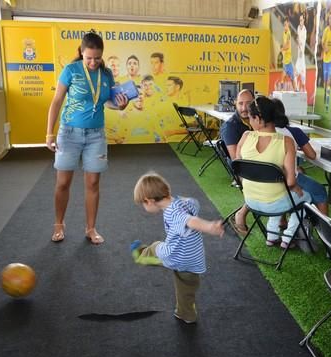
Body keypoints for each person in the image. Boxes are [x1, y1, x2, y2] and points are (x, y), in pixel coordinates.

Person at [46, 31, 129, 244]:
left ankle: (91, 229)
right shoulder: (70, 70)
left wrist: (120, 104)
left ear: (102, 55)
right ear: (81, 53)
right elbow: (56, 101)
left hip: (95, 135)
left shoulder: (107, 74)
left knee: (93, 183)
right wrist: (49, 132)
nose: (93, 62)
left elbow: (108, 102)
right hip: (69, 133)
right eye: (89, 57)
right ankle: (58, 224)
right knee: (63, 182)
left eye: (97, 57)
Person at [131, 172, 224, 324]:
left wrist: (209, 227)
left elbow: (190, 220)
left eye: (142, 203)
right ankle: (186, 313)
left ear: (149, 201)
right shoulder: (183, 202)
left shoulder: (172, 213)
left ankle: (143, 256)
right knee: (187, 288)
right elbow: (194, 205)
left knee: (156, 246)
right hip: (194, 259)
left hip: (177, 256)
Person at [236, 96, 311, 249]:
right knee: (305, 197)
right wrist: (295, 187)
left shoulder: (245, 137)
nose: (249, 121)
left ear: (257, 118)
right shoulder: (286, 142)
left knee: (279, 193)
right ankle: (288, 238)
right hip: (274, 202)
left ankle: (271, 236)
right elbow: (290, 182)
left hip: (250, 200)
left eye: (250, 117)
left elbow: (240, 167)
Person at [220, 89, 254, 236]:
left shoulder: (256, 120)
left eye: (248, 103)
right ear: (235, 104)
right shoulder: (231, 126)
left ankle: (281, 220)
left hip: (256, 164)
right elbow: (236, 160)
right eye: (240, 103)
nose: (244, 108)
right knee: (274, 180)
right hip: (241, 169)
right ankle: (241, 213)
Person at [321, 13, 331, 111]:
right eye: (330, 18)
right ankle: (324, 95)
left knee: (329, 82)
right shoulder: (326, 30)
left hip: (330, 60)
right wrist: (325, 48)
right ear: (328, 20)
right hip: (325, 60)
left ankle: (327, 103)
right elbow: (322, 42)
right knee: (325, 81)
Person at [294, 12, 307, 92]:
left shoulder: (305, 30)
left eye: (301, 20)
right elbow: (298, 38)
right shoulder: (298, 27)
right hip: (299, 55)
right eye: (300, 20)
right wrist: (297, 41)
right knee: (295, 73)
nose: (300, 22)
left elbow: (301, 41)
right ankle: (297, 90)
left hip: (302, 55)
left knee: (303, 76)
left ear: (304, 20)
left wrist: (298, 42)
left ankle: (303, 90)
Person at [280, 19, 294, 88]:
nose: (284, 26)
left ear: (288, 25)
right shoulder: (284, 33)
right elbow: (284, 44)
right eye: (284, 25)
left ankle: (295, 90)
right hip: (285, 58)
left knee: (292, 78)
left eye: (286, 25)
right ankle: (281, 91)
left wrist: (282, 49)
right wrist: (282, 50)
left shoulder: (288, 33)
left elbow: (288, 46)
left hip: (288, 59)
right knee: (283, 76)